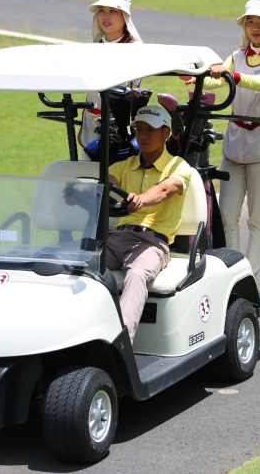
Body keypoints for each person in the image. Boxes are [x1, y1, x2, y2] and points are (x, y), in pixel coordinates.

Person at [181, 0, 260, 276]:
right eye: (250, 22)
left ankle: (250, 277)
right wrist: (194, 77)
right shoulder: (237, 56)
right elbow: (215, 80)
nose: (255, 27)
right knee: (228, 215)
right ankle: (233, 274)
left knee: (257, 217)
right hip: (236, 144)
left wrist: (233, 75)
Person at [107, 105, 191, 343]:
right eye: (139, 129)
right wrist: (77, 195)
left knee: (137, 273)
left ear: (166, 133)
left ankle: (120, 346)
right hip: (117, 238)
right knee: (82, 264)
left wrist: (141, 199)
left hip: (152, 243)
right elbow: (106, 183)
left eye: (151, 131)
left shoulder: (178, 166)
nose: (143, 135)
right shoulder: (124, 165)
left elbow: (165, 190)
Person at [78, 0, 143, 158]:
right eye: (101, 11)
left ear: (125, 15)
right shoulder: (89, 48)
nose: (105, 16)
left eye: (113, 11)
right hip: (90, 126)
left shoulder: (136, 49)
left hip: (123, 130)